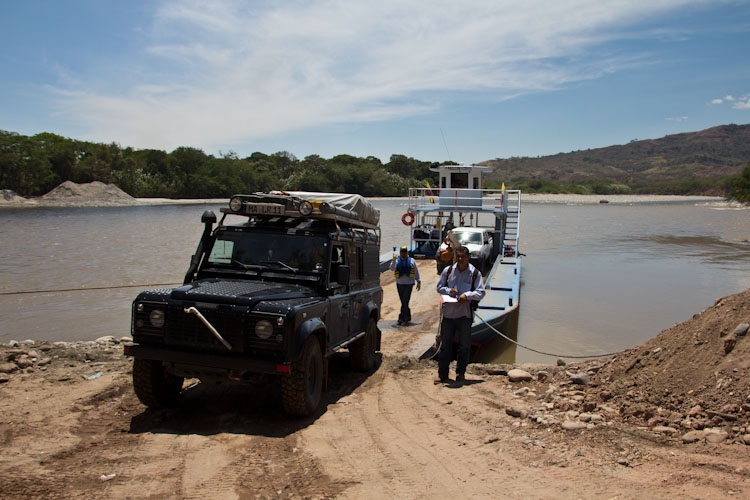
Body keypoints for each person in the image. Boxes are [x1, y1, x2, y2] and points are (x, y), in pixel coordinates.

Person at [435, 245, 485, 386]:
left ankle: (460, 373)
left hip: (464, 316)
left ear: (468, 257)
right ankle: (442, 374)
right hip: (448, 315)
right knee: (445, 346)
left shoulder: (475, 273)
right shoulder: (448, 270)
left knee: (464, 346)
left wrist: (467, 296)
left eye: (463, 257)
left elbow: (481, 292)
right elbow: (439, 287)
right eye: (458, 257)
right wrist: (448, 290)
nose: (460, 259)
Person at [390, 246, 421, 325]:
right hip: (399, 284)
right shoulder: (396, 261)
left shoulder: (412, 261)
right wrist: (393, 260)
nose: (403, 253)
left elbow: (416, 271)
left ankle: (401, 318)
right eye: (402, 252)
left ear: (407, 252)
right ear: (400, 252)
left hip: (409, 284)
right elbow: (392, 268)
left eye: (405, 252)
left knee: (405, 301)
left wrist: (418, 281)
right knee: (404, 302)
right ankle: (407, 316)